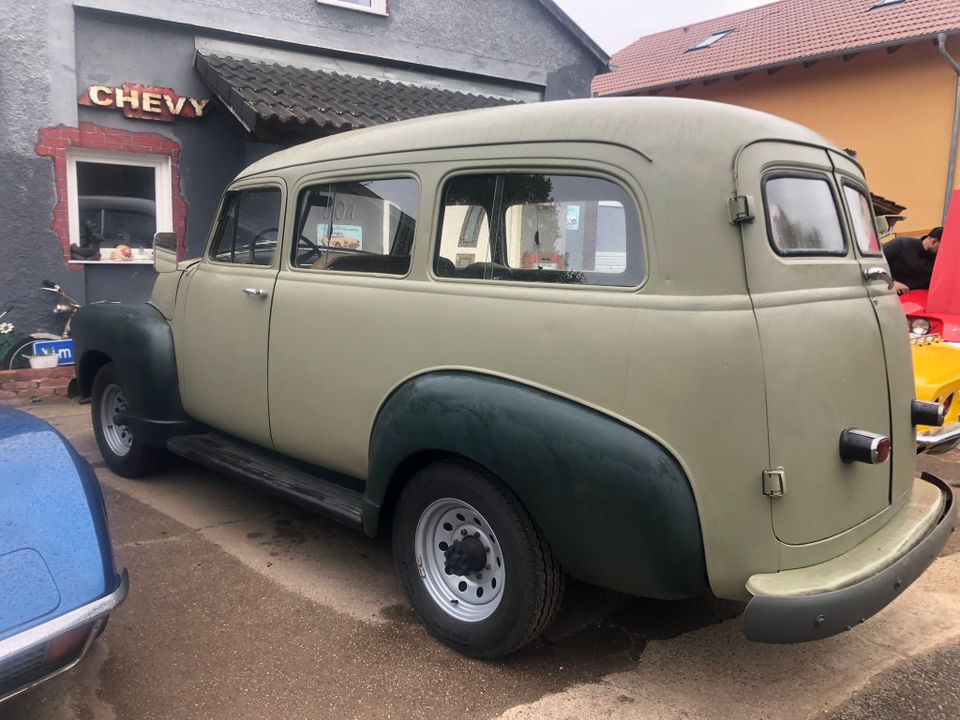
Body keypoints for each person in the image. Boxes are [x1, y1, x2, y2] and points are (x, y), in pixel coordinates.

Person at [883, 226, 942, 295]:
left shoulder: (939, 263)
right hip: (884, 295)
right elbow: (872, 265)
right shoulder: (901, 244)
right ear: (934, 242)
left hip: (914, 303)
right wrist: (892, 282)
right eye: (944, 246)